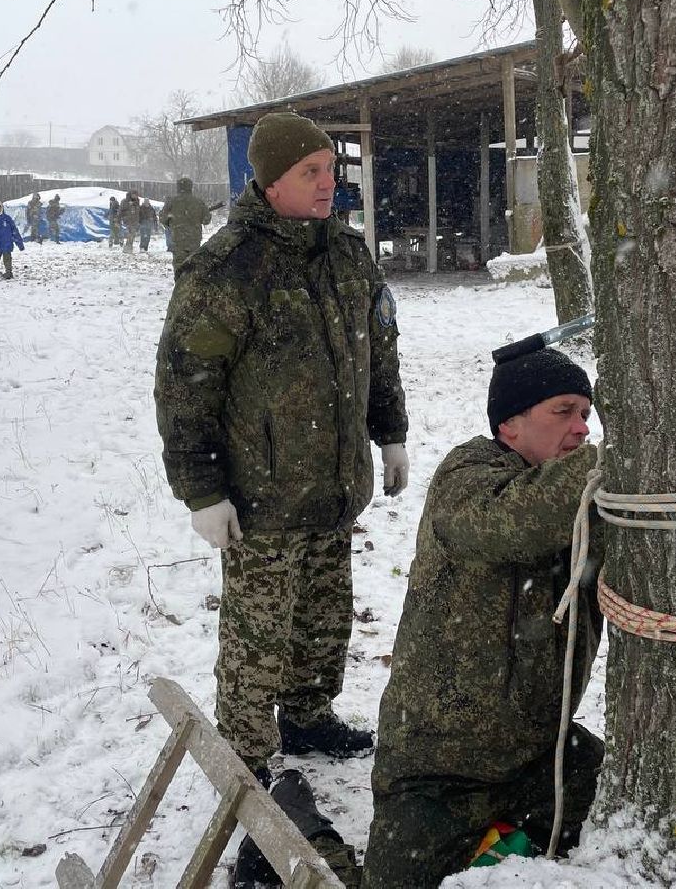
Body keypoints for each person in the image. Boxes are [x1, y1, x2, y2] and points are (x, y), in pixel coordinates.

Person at [155, 112, 410, 792]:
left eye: (331, 170)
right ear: (271, 183)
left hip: (333, 486)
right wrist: (203, 491)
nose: (329, 183)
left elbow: (378, 354)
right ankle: (244, 757)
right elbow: (185, 388)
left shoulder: (347, 255)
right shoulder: (227, 269)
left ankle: (308, 717)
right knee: (258, 637)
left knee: (323, 618)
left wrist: (390, 435)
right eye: (311, 172)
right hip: (261, 497)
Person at [362, 348, 603, 888]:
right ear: (509, 424)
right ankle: (300, 828)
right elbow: (514, 521)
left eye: (587, 414)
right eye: (563, 411)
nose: (582, 428)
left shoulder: (586, 499)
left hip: (541, 757)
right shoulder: (467, 476)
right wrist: (622, 457)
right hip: (440, 772)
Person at [159, 177, 211, 276]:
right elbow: (206, 220)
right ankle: (191, 282)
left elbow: (162, 218)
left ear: (178, 187)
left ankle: (180, 282)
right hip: (194, 239)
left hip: (178, 237)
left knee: (179, 264)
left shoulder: (172, 202)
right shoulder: (198, 202)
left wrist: (171, 223)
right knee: (193, 264)